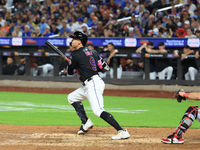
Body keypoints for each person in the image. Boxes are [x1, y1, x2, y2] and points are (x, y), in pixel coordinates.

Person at [67, 31, 130, 140]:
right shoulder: (93, 52)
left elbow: (70, 72)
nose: (71, 41)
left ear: (79, 42)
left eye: (73, 39)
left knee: (98, 110)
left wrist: (72, 64)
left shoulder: (75, 54)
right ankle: (85, 122)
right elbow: (105, 67)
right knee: (72, 97)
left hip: (93, 84)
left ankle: (122, 131)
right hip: (91, 83)